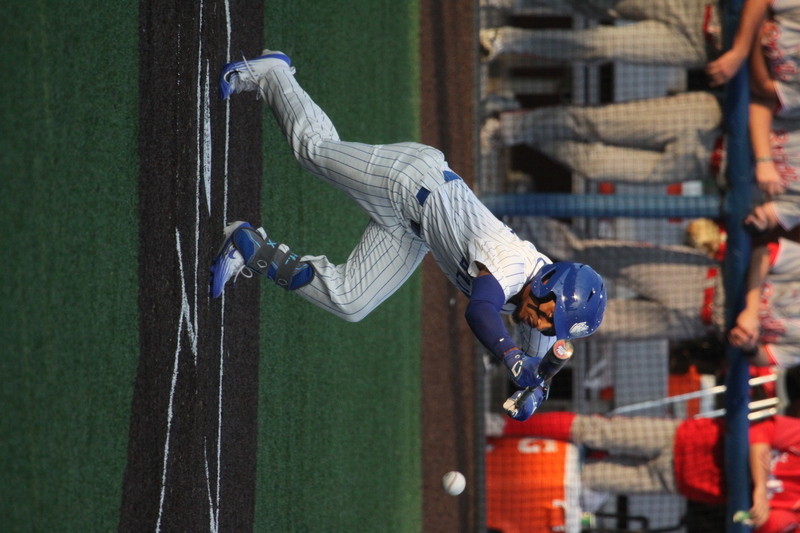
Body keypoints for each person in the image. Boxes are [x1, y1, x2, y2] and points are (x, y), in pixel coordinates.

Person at [208, 49, 607, 394]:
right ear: (548, 285)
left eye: (552, 328)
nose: (541, 325)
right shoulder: (510, 262)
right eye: (547, 318)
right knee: (312, 151)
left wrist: (534, 390)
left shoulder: (543, 312)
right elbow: (480, 311)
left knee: (351, 301)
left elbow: (537, 366)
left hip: (415, 235)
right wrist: (513, 358)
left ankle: (251, 248)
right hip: (409, 181)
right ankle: (272, 72)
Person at [487, 411, 800, 532]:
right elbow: (760, 435)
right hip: (684, 438)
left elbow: (770, 524)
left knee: (584, 481)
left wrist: (767, 508)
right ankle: (502, 425)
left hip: (675, 482)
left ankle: (494, 484)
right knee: (591, 430)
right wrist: (759, 487)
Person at [512, 216, 725, 341]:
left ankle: (512, 320)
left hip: (698, 322)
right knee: (589, 251)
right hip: (698, 276)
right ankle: (512, 223)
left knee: (595, 323)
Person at [481, 92, 724, 185]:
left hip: (705, 166)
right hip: (706, 122)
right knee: (595, 123)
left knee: (594, 168)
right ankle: (507, 126)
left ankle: (515, 118)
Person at [479, 0, 722, 68]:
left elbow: (763, 89)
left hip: (702, 49)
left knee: (600, 46)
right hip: (704, 6)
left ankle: (504, 40)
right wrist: (743, 48)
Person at [728, 235, 800, 369]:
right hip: (715, 279)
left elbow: (764, 358)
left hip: (706, 325)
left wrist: (749, 346)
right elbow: (763, 254)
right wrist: (752, 310)